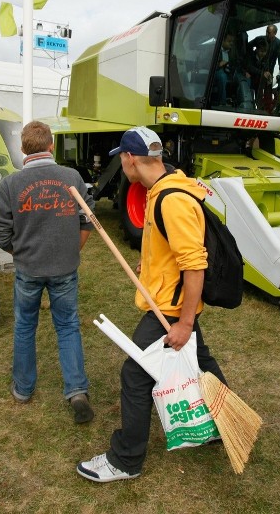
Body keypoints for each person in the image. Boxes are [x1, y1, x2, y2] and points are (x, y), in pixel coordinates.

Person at [77, 126, 227, 483]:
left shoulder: (170, 199)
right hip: (173, 302)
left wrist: (185, 323)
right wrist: (152, 262)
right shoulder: (163, 188)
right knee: (200, 364)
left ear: (129, 159)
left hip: (172, 310)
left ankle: (125, 460)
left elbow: (194, 265)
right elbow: (171, 248)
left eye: (122, 160)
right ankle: (224, 421)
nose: (123, 166)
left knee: (135, 375)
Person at [0, 120, 96, 423]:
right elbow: (88, 219)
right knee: (68, 326)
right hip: (64, 268)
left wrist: (19, 253)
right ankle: (76, 391)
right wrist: (73, 251)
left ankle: (23, 389)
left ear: (23, 150)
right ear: (51, 146)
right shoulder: (71, 176)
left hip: (29, 270)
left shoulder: (10, 184)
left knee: (24, 327)